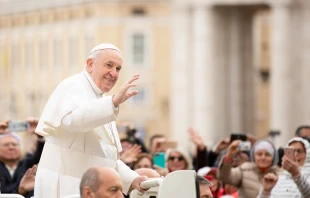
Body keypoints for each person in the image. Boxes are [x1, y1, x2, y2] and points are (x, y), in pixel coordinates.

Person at [34, 43, 147, 198]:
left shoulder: (102, 100)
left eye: (118, 68)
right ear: (90, 64)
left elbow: (105, 159)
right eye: (109, 65)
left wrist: (133, 179)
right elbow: (73, 121)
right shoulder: (73, 85)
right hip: (65, 187)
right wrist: (113, 102)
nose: (113, 73)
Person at [0, 118, 44, 197]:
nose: (11, 147)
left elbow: (42, 155)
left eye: (15, 144)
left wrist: (40, 134)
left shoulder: (29, 164)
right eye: (6, 145)